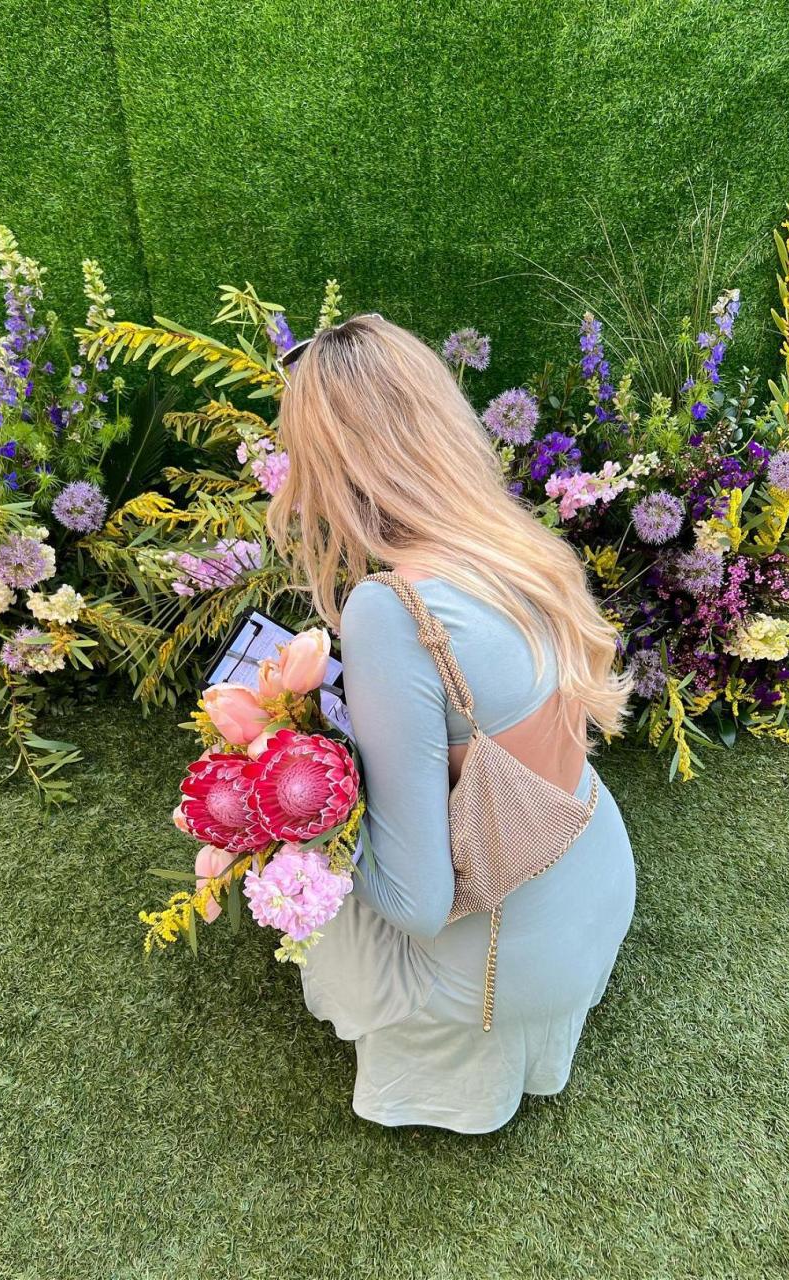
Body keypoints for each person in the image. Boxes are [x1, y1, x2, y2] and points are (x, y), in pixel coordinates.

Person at [267, 314, 636, 1134]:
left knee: (295, 835)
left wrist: (297, 808)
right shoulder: (513, 543)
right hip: (593, 877)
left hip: (507, 958)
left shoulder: (391, 610)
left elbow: (418, 902)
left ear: (332, 463)